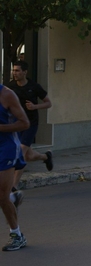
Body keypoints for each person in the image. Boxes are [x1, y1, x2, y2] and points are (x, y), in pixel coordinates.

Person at [7, 61, 53, 192]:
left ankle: (14, 186)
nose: (14, 73)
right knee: (28, 156)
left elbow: (48, 103)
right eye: (13, 70)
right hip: (16, 124)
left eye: (17, 71)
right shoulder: (10, 87)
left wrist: (35, 107)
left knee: (20, 153)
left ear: (25, 72)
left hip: (30, 123)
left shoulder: (34, 86)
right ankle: (46, 157)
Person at [0, 84, 30, 251]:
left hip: (6, 149)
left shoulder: (7, 95)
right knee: (3, 196)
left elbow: (25, 123)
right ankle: (13, 199)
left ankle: (17, 235)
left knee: (2, 195)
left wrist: (0, 128)